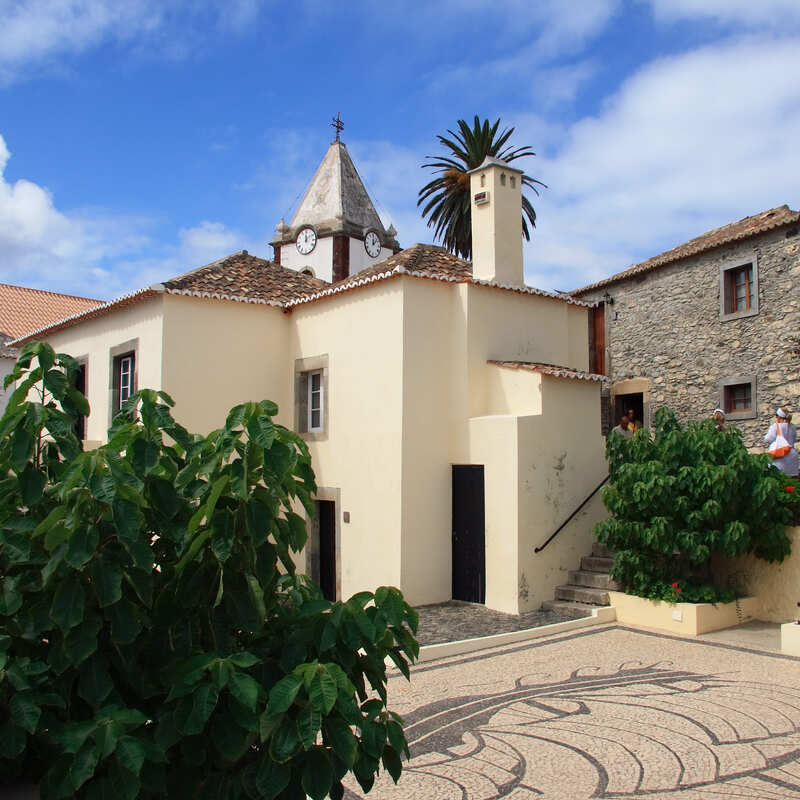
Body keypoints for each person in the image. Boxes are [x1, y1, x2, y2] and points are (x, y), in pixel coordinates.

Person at [764, 407, 798, 476]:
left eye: (776, 415)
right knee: (792, 479)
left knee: (778, 478)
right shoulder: (792, 427)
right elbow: (794, 439)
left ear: (779, 416)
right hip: (792, 454)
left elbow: (768, 439)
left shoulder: (775, 426)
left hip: (780, 455)